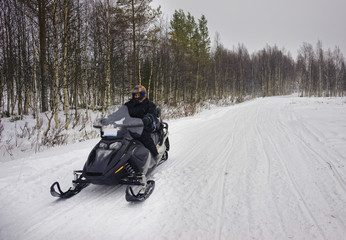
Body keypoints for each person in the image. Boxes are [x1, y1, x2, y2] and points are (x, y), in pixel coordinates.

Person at [125, 85, 159, 160]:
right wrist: (109, 119)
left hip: (144, 127)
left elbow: (152, 114)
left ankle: (155, 155)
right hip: (130, 126)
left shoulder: (149, 104)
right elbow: (120, 112)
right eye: (135, 95)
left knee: (145, 138)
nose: (136, 97)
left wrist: (147, 119)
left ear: (143, 95)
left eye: (138, 95)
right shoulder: (129, 105)